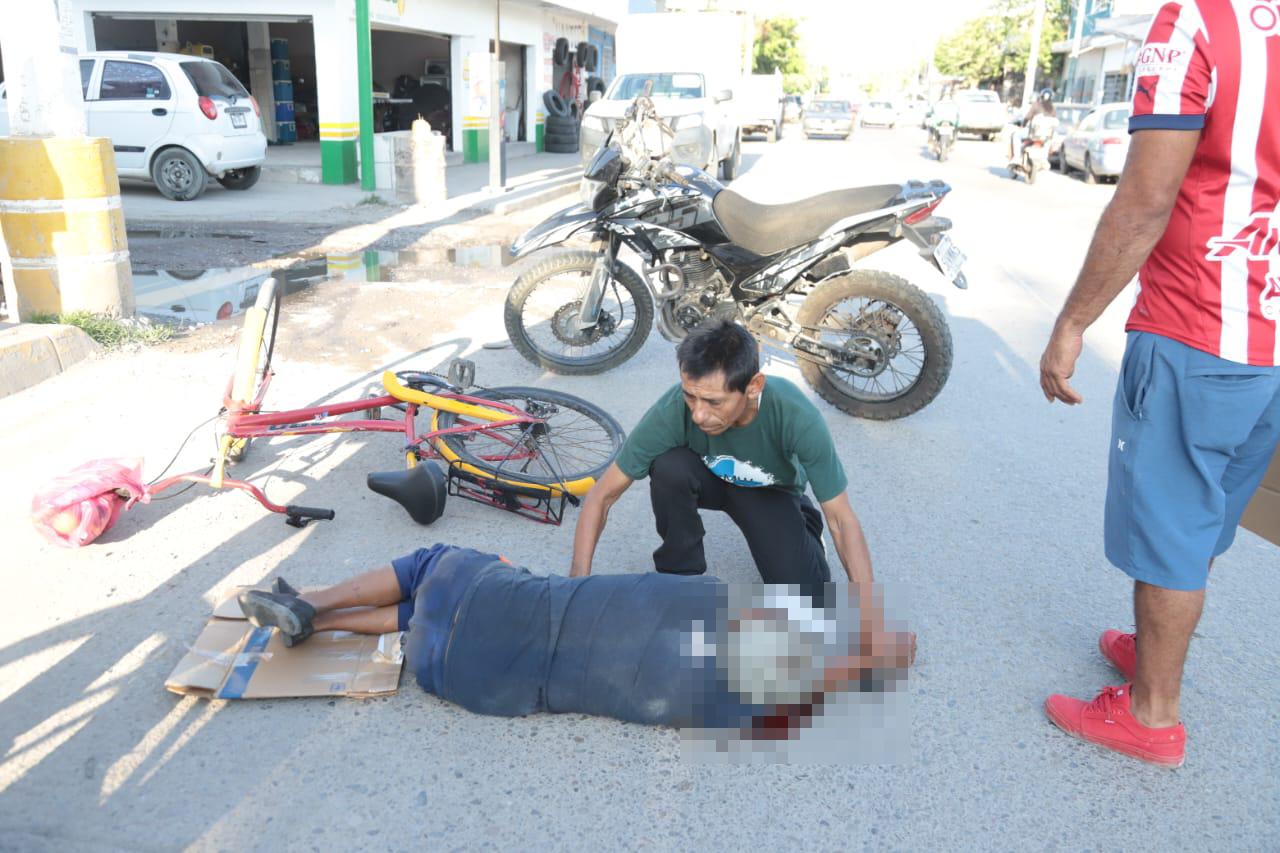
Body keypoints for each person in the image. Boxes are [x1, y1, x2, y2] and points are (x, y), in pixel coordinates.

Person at [1039, 0, 1280, 767]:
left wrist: (1073, 322)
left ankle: (1151, 714)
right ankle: (1152, 654)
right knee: (1200, 517)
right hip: (1268, 338)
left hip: (1197, 328)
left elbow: (1144, 201)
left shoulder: (1198, 22)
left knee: (1172, 524)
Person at [236, 544, 915, 736]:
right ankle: (313, 622)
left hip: (486, 602)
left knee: (431, 571)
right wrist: (859, 666)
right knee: (423, 617)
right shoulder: (706, 706)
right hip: (462, 678)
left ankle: (313, 604)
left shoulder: (700, 593)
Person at [568, 320, 874, 596]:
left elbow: (841, 518)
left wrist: (873, 616)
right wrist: (575, 586)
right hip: (710, 477)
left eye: (714, 402)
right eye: (690, 395)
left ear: (753, 387)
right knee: (669, 466)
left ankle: (804, 530)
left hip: (770, 492)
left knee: (806, 602)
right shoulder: (674, 408)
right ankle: (680, 577)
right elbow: (602, 496)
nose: (699, 414)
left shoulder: (795, 415)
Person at [1008, 88, 1057, 165]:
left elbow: (1027, 117)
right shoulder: (1053, 109)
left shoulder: (1036, 105)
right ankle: (1045, 158)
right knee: (1049, 141)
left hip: (1032, 134)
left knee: (1015, 135)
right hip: (1046, 136)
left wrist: (1022, 125)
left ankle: (1016, 158)